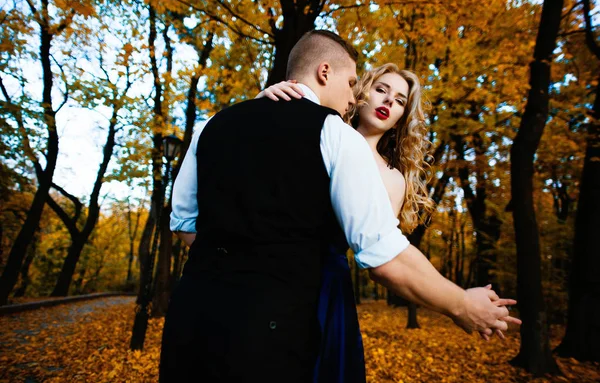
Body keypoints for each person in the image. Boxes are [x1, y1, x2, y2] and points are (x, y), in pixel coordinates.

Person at [161, 30, 520, 383]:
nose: (353, 95)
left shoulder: (212, 123)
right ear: (324, 72)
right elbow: (384, 255)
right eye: (354, 83)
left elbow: (184, 223)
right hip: (273, 325)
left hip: (192, 316)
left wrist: (231, 261)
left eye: (398, 100)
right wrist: (460, 304)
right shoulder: (336, 134)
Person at [257, 63, 436, 383]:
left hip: (324, 284)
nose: (387, 102)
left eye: (399, 101)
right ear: (362, 91)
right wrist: (265, 102)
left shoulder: (394, 179)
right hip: (267, 271)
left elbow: (383, 250)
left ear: (401, 118)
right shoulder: (318, 129)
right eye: (382, 90)